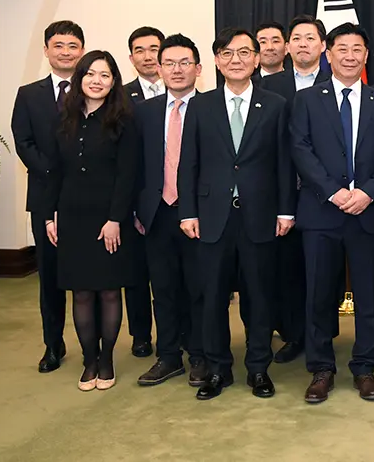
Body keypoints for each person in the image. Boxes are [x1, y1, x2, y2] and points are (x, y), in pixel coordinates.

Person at [178, 28, 296, 400]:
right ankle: (218, 369)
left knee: (259, 296)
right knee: (212, 297)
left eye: (245, 52)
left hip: (260, 216)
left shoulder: (275, 104)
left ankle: (258, 368)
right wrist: (187, 212)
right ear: (216, 60)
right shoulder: (201, 105)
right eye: (227, 53)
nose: (236, 59)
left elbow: (284, 163)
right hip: (212, 217)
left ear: (257, 58)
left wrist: (286, 211)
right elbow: (188, 164)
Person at [290, 23, 374, 404]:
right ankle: (321, 368)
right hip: (322, 213)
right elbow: (301, 150)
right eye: (342, 49)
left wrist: (369, 193)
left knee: (369, 294)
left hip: (368, 212)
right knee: (319, 293)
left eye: (357, 49)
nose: (350, 55)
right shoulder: (307, 99)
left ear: (366, 56)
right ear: (329, 53)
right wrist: (334, 192)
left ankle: (365, 366)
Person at [43, 51, 139, 391]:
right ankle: (89, 360)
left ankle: (108, 358)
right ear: (80, 78)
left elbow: (128, 175)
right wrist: (49, 216)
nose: (97, 80)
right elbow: (54, 172)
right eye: (90, 74)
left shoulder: (124, 120)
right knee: (81, 292)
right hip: (71, 216)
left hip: (109, 218)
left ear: (114, 81)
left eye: (105, 75)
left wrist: (115, 219)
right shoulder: (64, 120)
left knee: (110, 291)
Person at [11, 20, 85, 373]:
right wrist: (54, 175)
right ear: (46, 51)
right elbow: (23, 141)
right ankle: (53, 345)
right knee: (51, 278)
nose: (66, 52)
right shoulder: (29, 94)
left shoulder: (94, 88)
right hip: (45, 198)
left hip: (88, 200)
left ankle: (94, 345)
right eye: (59, 45)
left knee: (91, 277)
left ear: (82, 51)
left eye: (72, 45)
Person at [134, 34, 207, 388]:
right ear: (159, 68)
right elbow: (133, 165)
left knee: (199, 287)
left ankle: (199, 355)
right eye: (170, 63)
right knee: (162, 288)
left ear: (198, 68)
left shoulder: (211, 108)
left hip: (200, 214)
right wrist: (137, 208)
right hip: (157, 213)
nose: (177, 70)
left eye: (185, 63)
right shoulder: (144, 112)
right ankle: (167, 357)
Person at [257, 15, 331, 365]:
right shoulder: (272, 86)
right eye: (297, 39)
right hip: (286, 191)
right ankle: (293, 334)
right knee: (288, 267)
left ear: (323, 45)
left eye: (310, 38)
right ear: (288, 47)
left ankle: (325, 335)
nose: (303, 44)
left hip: (329, 193)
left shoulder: (340, 80)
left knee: (325, 269)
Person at [120, 25, 163, 359]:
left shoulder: (189, 91)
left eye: (153, 49)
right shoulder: (119, 97)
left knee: (171, 275)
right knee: (136, 274)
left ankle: (174, 334)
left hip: (173, 199)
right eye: (140, 50)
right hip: (136, 197)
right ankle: (140, 335)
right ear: (131, 56)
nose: (147, 56)